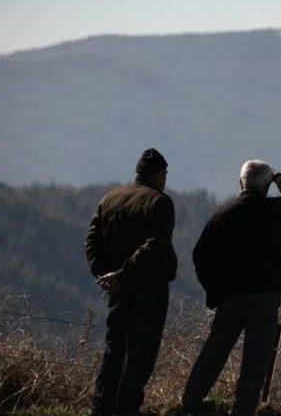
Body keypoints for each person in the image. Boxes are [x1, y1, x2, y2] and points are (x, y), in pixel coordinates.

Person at [181, 160, 281, 416]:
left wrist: (213, 290)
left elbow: (199, 256)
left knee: (215, 351)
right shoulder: (271, 211)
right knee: (255, 361)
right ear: (267, 186)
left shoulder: (221, 216)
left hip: (230, 297)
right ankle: (243, 410)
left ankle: (190, 403)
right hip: (265, 298)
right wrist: (277, 175)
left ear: (240, 183)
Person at [85, 148, 177, 416]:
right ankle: (126, 409)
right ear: (159, 175)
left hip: (118, 291)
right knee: (141, 354)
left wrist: (104, 275)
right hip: (149, 289)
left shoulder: (109, 199)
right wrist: (123, 274)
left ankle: (101, 408)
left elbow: (92, 240)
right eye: (165, 175)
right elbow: (155, 245)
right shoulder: (160, 202)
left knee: (114, 350)